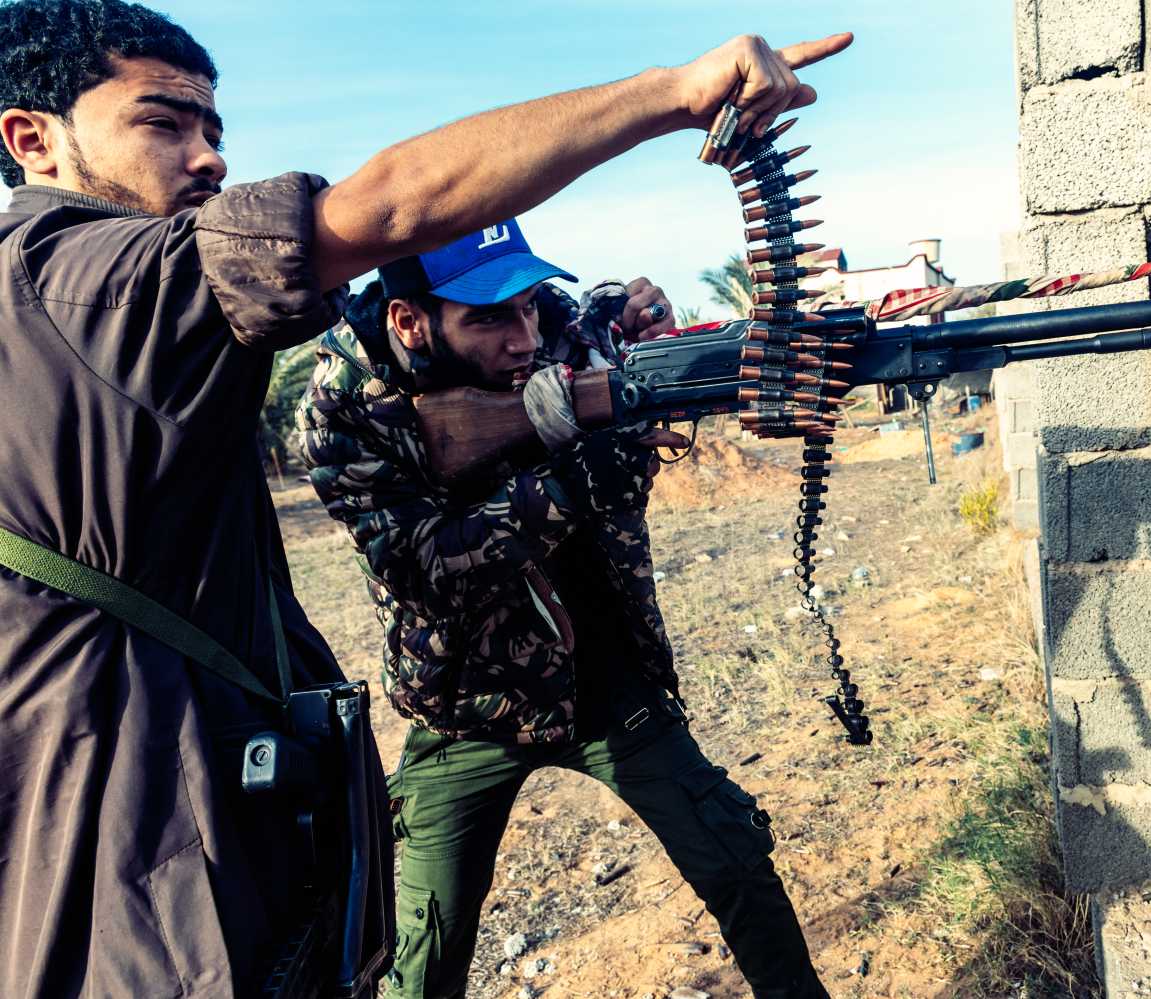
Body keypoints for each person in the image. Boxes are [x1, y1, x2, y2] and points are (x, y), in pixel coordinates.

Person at [0, 0, 850, 994]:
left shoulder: (115, 333)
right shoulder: (85, 283)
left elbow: (608, 381)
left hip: (590, 688)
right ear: (32, 139)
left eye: (214, 132)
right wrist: (672, 95)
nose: (209, 161)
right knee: (426, 945)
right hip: (447, 713)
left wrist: (632, 374)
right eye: (163, 123)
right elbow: (386, 215)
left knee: (729, 858)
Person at [294, 221, 832, 999]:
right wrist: (573, 480)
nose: (522, 336)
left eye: (528, 308)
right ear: (410, 321)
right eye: (487, 317)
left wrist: (632, 316)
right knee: (426, 945)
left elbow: (592, 323)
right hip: (463, 704)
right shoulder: (345, 403)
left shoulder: (549, 330)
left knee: (733, 862)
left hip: (604, 675)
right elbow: (419, 563)